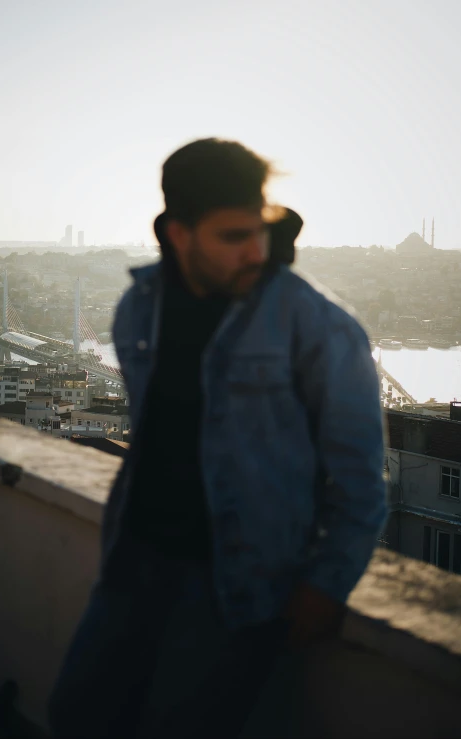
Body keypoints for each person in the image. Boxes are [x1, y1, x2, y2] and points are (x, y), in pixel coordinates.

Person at [49, 138, 387, 738]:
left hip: (235, 587)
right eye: (232, 237)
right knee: (77, 715)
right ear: (177, 233)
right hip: (134, 564)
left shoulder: (317, 325)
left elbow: (361, 481)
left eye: (260, 230)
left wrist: (324, 587)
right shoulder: (138, 308)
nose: (256, 251)